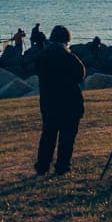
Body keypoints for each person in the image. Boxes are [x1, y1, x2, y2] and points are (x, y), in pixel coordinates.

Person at [33, 25, 87, 176]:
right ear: (66, 41)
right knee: (67, 138)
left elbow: (36, 70)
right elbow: (81, 74)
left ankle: (42, 167)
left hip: (49, 103)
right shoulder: (69, 57)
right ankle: (62, 167)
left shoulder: (42, 57)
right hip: (70, 103)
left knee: (47, 136)